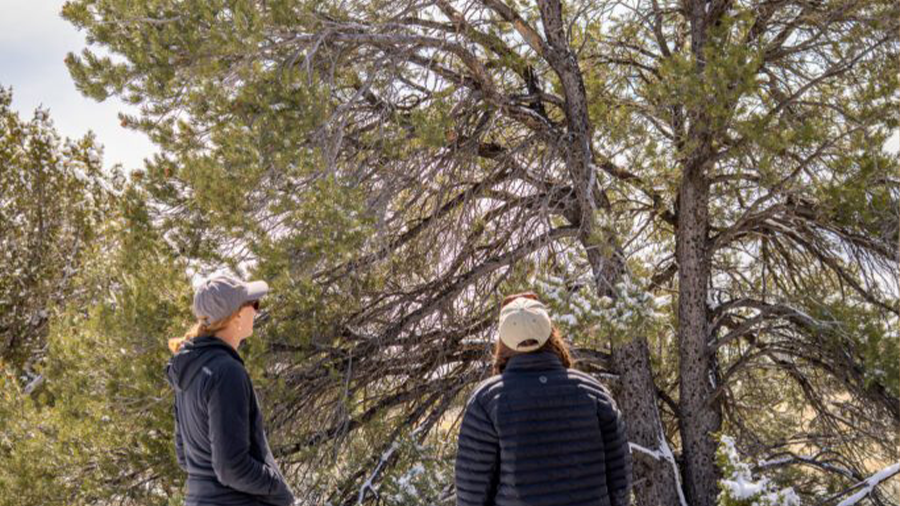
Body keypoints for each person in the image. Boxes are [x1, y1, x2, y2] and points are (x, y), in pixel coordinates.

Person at [455, 292, 633, 506]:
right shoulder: (594, 392)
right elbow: (620, 479)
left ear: (503, 341)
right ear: (551, 333)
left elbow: (471, 494)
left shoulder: (487, 401)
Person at [165, 275, 294, 506]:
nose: (256, 311)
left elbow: (186, 458)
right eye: (253, 305)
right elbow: (231, 468)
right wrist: (277, 485)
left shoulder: (189, 369)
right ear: (234, 316)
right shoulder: (226, 372)